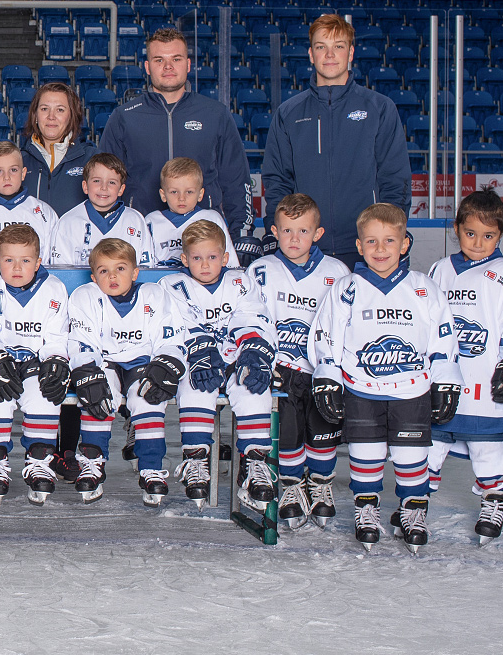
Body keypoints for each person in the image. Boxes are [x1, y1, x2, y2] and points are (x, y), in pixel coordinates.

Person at [309, 204, 462, 551]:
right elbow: (326, 334)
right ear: (359, 245)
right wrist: (328, 374)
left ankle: (413, 510)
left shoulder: (423, 288)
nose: (380, 249)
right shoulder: (347, 288)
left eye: (389, 240)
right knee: (366, 454)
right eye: (372, 241)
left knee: (411, 457)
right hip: (361, 390)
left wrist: (446, 379)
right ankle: (367, 510)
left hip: (412, 391)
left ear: (404, 244)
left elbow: (442, 338)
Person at [426, 190, 503, 543]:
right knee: (428, 446)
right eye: (470, 233)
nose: (478, 242)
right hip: (443, 377)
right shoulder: (440, 270)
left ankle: (494, 498)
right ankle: (414, 503)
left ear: (500, 234)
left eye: (488, 235)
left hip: (485, 379)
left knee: (487, 447)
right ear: (456, 229)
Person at [261, 14, 413, 270]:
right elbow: (277, 182)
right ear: (311, 54)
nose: (330, 55)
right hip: (305, 250)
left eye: (338, 46)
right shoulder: (289, 113)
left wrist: (391, 235)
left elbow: (396, 180)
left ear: (350, 52)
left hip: (367, 249)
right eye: (321, 47)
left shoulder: (379, 108)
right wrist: (277, 232)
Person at [99, 27, 253, 262]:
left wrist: (241, 233)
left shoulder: (215, 114)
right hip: (141, 240)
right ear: (147, 66)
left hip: (205, 244)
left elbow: (236, 179)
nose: (168, 66)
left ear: (188, 65)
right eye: (159, 60)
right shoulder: (125, 117)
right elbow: (106, 182)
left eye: (176, 59)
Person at [64, 238, 196, 505]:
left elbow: (170, 337)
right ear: (94, 277)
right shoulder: (85, 296)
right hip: (104, 361)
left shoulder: (154, 295)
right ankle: (92, 462)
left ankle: (151, 468)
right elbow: (81, 341)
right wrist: (87, 370)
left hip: (142, 362)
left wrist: (167, 363)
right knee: (97, 393)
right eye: (104, 270)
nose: (112, 276)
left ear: (135, 272)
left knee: (147, 399)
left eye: (121, 268)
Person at [159, 221, 278, 512]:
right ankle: (196, 458)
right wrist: (199, 349)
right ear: (184, 259)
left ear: (225, 258)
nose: (204, 264)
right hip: (197, 360)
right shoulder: (172, 285)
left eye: (212, 257)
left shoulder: (240, 282)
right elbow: (173, 325)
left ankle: (254, 463)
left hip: (235, 357)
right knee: (195, 387)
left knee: (253, 388)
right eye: (197, 258)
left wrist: (253, 351)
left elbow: (253, 317)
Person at [248, 193, 351, 528]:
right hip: (281, 370)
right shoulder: (261, 270)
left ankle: (320, 484)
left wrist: (336, 367)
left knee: (323, 430)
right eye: (287, 230)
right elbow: (250, 319)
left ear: (317, 233)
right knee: (289, 432)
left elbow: (344, 323)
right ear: (275, 231)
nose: (294, 238)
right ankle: (292, 485)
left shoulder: (337, 272)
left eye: (303, 231)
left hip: (322, 371)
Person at [0, 224, 72, 506]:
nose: (17, 268)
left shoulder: (53, 288)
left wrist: (55, 359)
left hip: (34, 363)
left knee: (45, 394)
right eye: (9, 260)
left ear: (38, 262)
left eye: (25, 260)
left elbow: (57, 337)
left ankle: (40, 460)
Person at [48, 153, 154, 268]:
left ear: (121, 189)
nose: (104, 187)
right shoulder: (68, 222)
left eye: (112, 182)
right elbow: (62, 272)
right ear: (85, 186)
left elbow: (146, 267)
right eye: (97, 181)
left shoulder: (135, 220)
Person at [146, 156, 238, 268]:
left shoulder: (212, 218)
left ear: (200, 194)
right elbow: (144, 267)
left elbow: (231, 265)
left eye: (189, 192)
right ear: (163, 195)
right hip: (161, 278)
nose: (181, 198)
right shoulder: (151, 221)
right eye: (174, 192)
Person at [20, 81, 96, 214]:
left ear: (71, 116)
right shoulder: (19, 161)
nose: (51, 116)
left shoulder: (93, 159)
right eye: (44, 109)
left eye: (60, 110)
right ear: (35, 115)